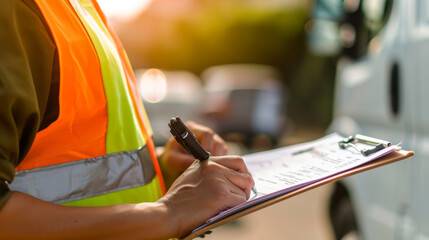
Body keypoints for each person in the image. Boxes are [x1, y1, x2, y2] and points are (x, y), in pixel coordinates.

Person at [0, 0, 254, 239]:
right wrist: (170, 212)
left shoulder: (77, 9)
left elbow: (82, 164)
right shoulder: (17, 11)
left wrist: (165, 166)